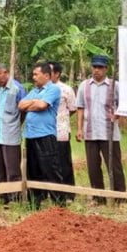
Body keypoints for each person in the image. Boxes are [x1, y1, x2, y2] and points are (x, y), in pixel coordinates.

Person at [76, 55, 126, 204]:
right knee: (93, 166)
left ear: (106, 69)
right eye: (94, 67)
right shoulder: (84, 86)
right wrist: (79, 129)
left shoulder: (114, 85)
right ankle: (98, 197)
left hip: (109, 133)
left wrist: (117, 115)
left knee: (114, 166)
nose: (97, 70)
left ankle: (120, 198)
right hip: (90, 132)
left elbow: (124, 105)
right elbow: (80, 107)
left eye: (100, 67)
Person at [18, 62, 65, 207]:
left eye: (36, 74)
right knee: (33, 171)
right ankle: (35, 203)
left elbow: (42, 105)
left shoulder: (54, 89)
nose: (33, 77)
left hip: (46, 135)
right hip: (30, 135)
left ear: (46, 75)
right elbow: (20, 105)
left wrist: (31, 105)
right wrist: (34, 102)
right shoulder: (35, 91)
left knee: (50, 169)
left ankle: (59, 204)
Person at [0, 63, 25, 203]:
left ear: (5, 72)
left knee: (12, 170)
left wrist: (16, 125)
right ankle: (0, 197)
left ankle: (15, 199)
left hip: (11, 134)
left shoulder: (17, 88)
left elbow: (23, 111)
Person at [48, 61, 77, 200]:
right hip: (45, 132)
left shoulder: (66, 89)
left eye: (50, 72)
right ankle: (51, 192)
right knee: (49, 164)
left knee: (63, 163)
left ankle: (68, 194)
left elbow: (72, 109)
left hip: (61, 131)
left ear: (57, 74)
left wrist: (62, 119)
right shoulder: (42, 89)